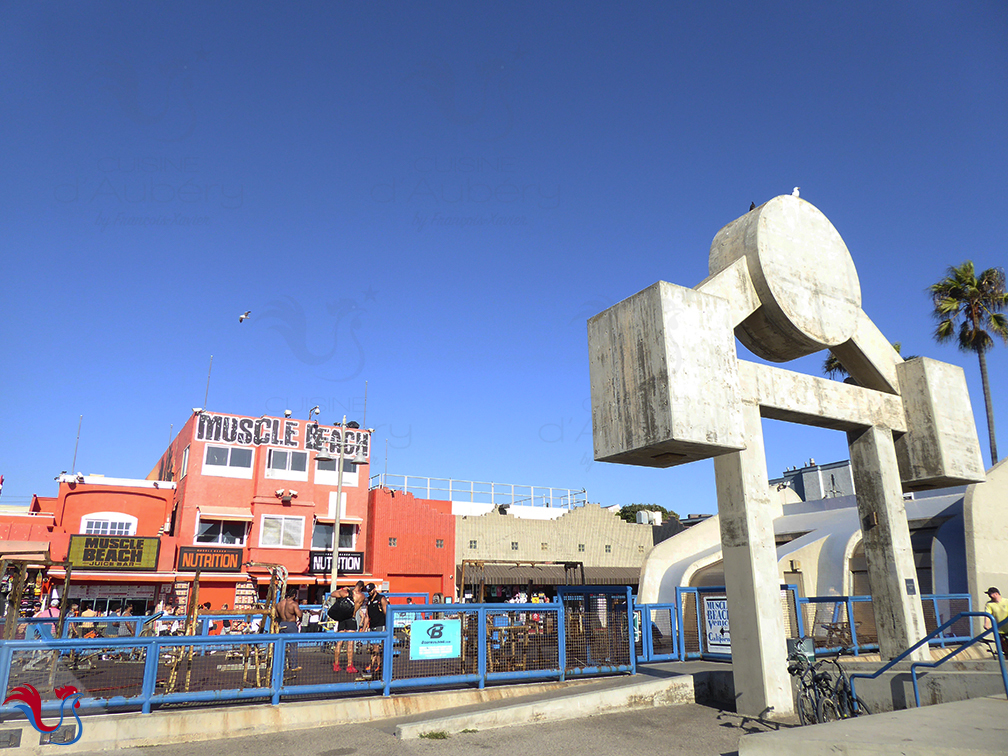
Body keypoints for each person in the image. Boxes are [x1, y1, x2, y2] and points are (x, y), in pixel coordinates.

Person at [330, 581, 366, 673]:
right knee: (350, 643)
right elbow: (360, 606)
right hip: (351, 618)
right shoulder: (361, 596)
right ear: (361, 588)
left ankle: (336, 664)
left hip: (342, 619)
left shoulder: (345, 592)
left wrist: (342, 589)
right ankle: (349, 666)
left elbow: (332, 594)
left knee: (339, 642)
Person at [362, 583, 388, 677]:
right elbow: (367, 616)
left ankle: (372, 665)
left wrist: (388, 627)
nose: (369, 592)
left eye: (370, 590)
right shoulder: (368, 600)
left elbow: (387, 613)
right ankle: (378, 665)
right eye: (368, 591)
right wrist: (363, 629)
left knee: (376, 647)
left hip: (380, 625)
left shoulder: (381, 599)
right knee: (374, 647)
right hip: (372, 626)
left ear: (374, 589)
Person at [277, 589, 303, 672]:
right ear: (294, 595)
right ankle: (294, 666)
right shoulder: (294, 604)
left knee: (282, 646)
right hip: (291, 624)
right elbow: (299, 614)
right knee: (293, 646)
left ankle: (283, 666)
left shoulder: (279, 604)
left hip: (282, 623)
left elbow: (276, 615)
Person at [983, 587, 1008, 655]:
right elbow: (988, 615)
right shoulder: (989, 604)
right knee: (1005, 650)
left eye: (990, 594)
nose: (989, 596)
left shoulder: (1006, 602)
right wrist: (986, 624)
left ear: (996, 594)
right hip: (999, 631)